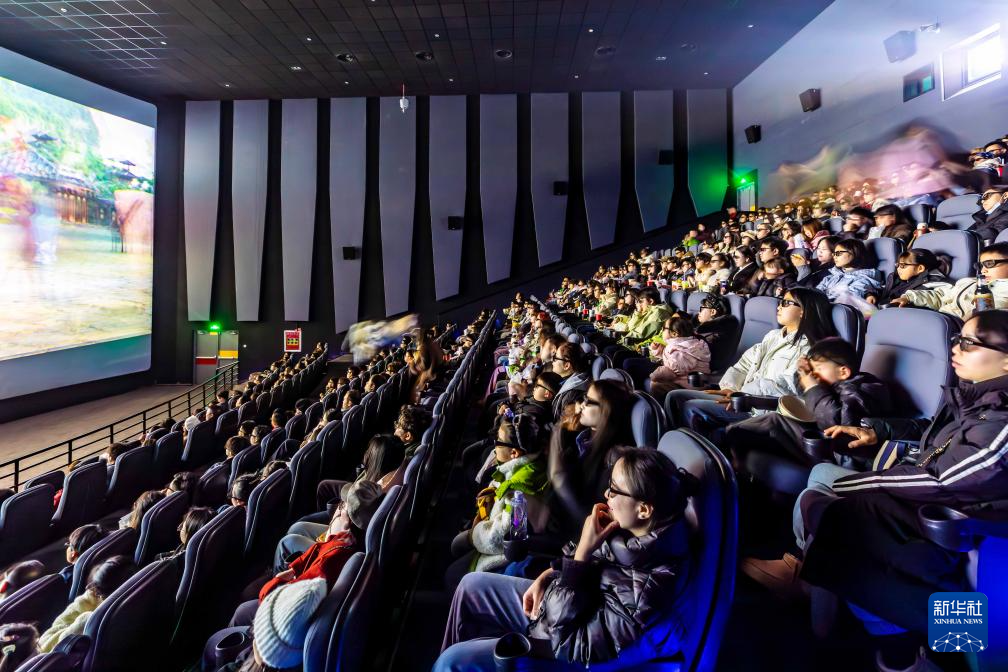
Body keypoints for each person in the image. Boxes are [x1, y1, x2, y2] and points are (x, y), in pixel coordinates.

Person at [747, 311, 1008, 670]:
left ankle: (924, 649)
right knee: (823, 487)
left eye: (968, 342)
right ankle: (815, 581)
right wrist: (878, 434)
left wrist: (860, 484)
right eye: (955, 339)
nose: (955, 348)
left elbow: (946, 479)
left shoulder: (1000, 416)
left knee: (836, 511)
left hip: (962, 524)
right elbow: (934, 440)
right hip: (932, 502)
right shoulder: (973, 394)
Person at [435, 448, 697, 671]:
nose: (607, 495)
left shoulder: (651, 589)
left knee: (454, 661)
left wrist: (581, 554)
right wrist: (549, 574)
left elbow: (567, 643)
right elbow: (575, 566)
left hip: (564, 644)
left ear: (643, 509)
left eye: (615, 490)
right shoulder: (630, 533)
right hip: (563, 605)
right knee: (470, 585)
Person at [665, 288, 837, 437]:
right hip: (742, 397)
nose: (779, 306)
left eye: (786, 303)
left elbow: (786, 385)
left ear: (803, 311)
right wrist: (731, 387)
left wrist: (743, 396)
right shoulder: (773, 336)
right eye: (780, 302)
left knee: (691, 408)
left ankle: (706, 456)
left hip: (761, 408)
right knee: (674, 397)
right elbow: (745, 363)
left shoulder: (809, 348)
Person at [724, 337, 893, 472]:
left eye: (818, 368)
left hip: (845, 457)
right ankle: (731, 453)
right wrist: (751, 401)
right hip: (825, 447)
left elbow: (834, 424)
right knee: (763, 425)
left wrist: (812, 385)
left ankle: (730, 454)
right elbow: (808, 403)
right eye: (811, 371)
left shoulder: (859, 392)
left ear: (843, 372)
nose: (813, 374)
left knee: (771, 422)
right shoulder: (834, 386)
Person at [448, 414, 549, 585]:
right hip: (492, 542)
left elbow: (501, 536)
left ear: (514, 453)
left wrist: (473, 535)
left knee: (452, 575)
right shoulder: (530, 468)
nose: (494, 446)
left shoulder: (519, 490)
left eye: (499, 441)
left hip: (502, 558)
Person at [548, 380, 635, 537]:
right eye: (583, 398)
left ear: (606, 411)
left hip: (572, 537)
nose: (581, 405)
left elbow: (588, 518)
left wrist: (558, 476)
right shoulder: (582, 438)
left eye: (588, 401)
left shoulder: (614, 460)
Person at [38, 556, 138, 652]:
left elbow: (50, 647)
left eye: (96, 592)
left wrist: (85, 621)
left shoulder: (96, 619)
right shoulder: (86, 601)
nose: (88, 588)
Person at [892, 242, 1008, 317]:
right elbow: (940, 296)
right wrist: (908, 297)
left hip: (961, 329)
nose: (983, 270)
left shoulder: (1004, 289)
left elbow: (990, 311)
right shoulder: (968, 282)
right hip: (941, 320)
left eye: (989, 264)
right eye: (981, 266)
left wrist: (971, 320)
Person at [647, 317, 712, 398]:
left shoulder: (681, 350)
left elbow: (672, 370)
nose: (661, 330)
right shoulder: (688, 344)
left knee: (655, 385)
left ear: (674, 334)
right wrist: (657, 349)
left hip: (690, 387)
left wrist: (655, 375)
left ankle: (660, 406)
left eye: (664, 328)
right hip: (688, 382)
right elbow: (669, 357)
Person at [815, 238, 882, 302]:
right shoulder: (830, 277)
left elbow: (850, 296)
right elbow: (816, 293)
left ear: (854, 252)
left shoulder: (864, 278)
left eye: (838, 253)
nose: (834, 256)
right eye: (834, 254)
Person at [875, 248, 949, 304]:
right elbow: (885, 291)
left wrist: (907, 299)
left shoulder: (931, 282)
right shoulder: (898, 278)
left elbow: (933, 297)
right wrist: (871, 294)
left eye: (902, 265)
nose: (898, 268)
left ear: (920, 268)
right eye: (898, 265)